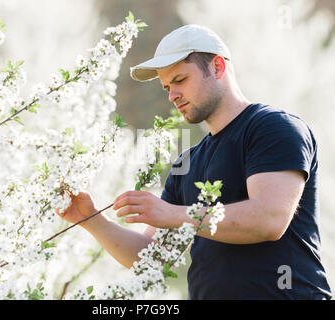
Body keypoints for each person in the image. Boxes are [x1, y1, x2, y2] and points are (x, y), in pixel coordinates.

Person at [57, 25, 332, 300]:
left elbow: (269, 220)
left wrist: (173, 214)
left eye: (180, 79)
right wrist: (90, 219)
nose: (172, 95)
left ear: (217, 67)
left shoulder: (273, 128)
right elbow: (153, 259)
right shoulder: (186, 163)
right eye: (167, 87)